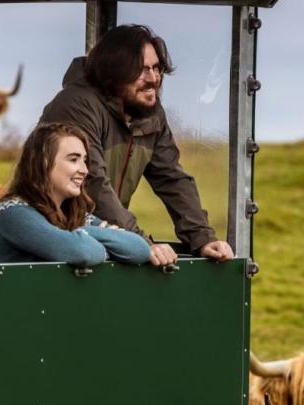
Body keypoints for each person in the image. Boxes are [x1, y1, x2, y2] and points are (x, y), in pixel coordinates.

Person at [40, 24, 234, 267]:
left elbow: (171, 178)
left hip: (103, 236)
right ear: (113, 72)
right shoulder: (77, 105)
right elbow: (93, 182)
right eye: (141, 70)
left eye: (156, 68)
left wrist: (202, 238)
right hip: (54, 241)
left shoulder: (149, 113)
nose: (153, 79)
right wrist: (141, 243)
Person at [0, 122, 151, 266]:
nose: (84, 169)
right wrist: (100, 236)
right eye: (73, 159)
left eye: (85, 160)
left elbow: (139, 249)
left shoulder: (72, 215)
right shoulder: (12, 212)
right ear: (44, 162)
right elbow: (86, 252)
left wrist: (77, 234)